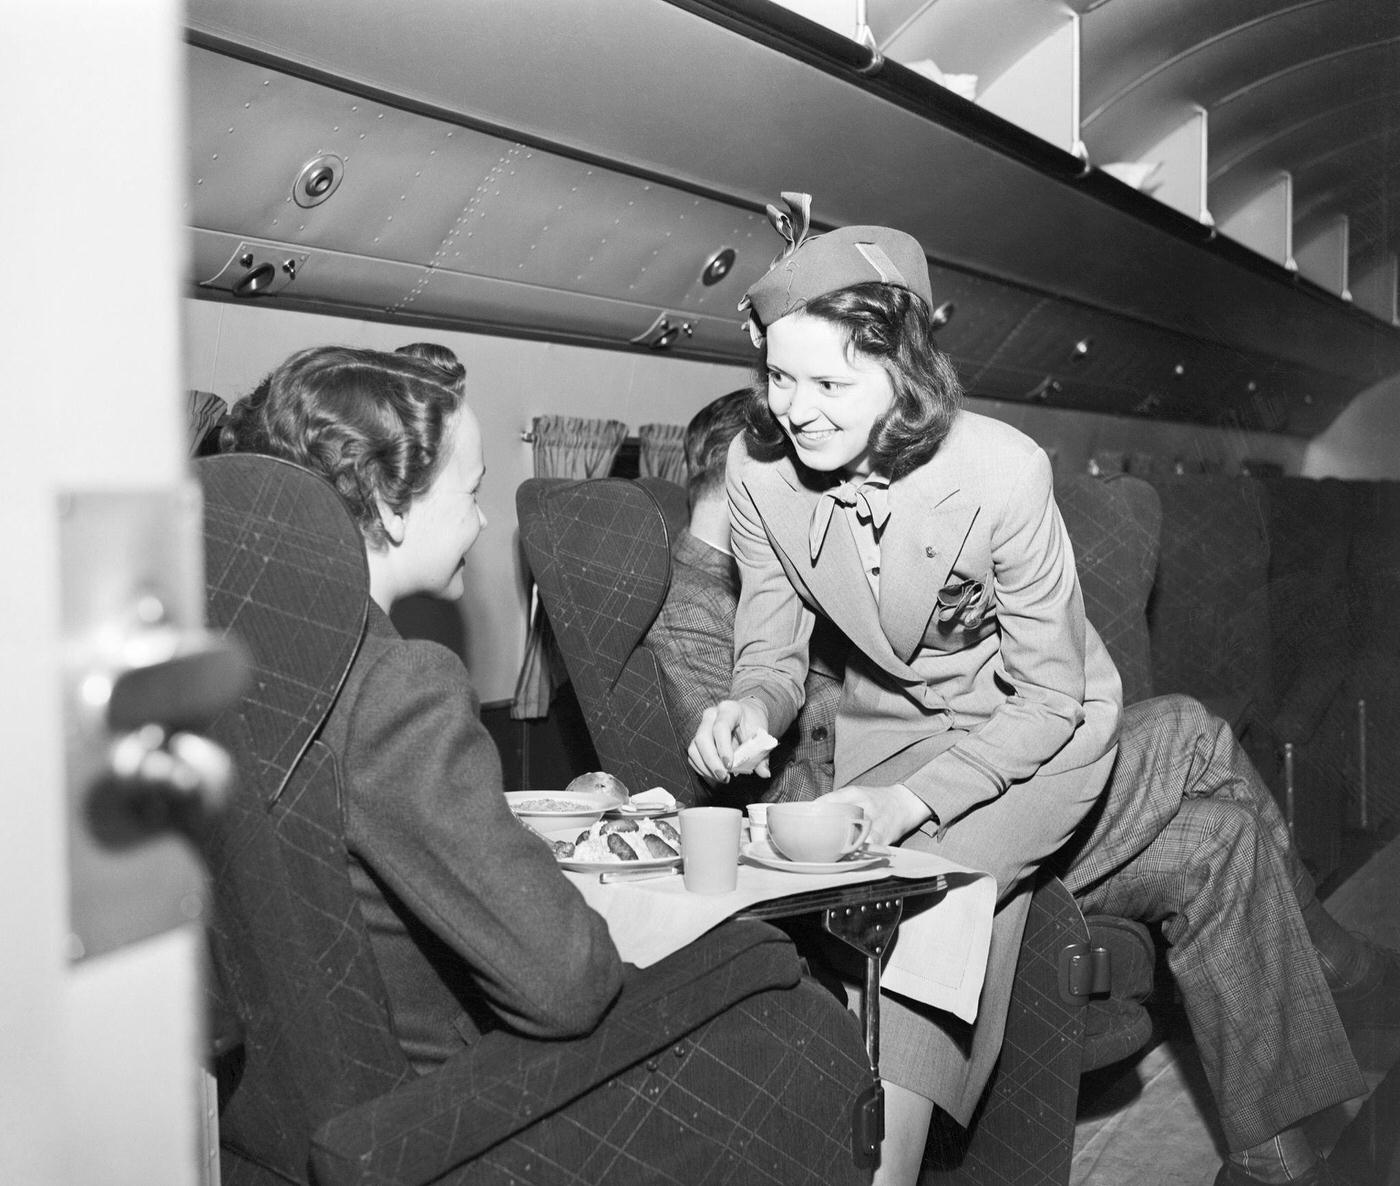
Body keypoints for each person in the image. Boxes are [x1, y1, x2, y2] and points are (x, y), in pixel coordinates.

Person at [687, 194, 1385, 1186]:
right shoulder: (758, 476)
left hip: (1040, 746)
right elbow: (767, 652)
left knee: (924, 895)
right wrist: (744, 712)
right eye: (777, 375)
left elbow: (1051, 703)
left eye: (826, 381)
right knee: (1214, 836)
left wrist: (911, 804)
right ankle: (1292, 1137)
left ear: (900, 370)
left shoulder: (1000, 471)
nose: (793, 407)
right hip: (891, 748)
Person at [220, 345, 873, 1183]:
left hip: (286, 1127)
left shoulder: (234, 671)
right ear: (388, 504)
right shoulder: (393, 683)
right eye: (470, 491)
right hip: (457, 1117)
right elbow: (568, 982)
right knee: (794, 1009)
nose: (484, 522)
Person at [648, 388, 845, 806]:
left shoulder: (764, 587)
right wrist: (893, 793)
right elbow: (754, 785)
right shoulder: (688, 607)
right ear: (749, 480)